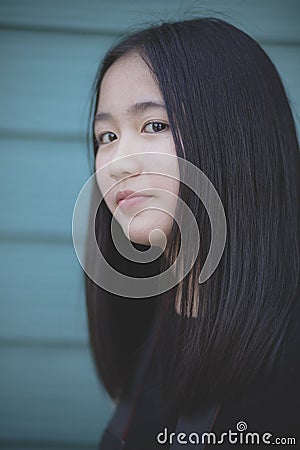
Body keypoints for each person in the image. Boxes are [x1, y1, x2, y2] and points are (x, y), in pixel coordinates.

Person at [84, 17, 300, 449]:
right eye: (106, 136)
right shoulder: (142, 321)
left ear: (239, 137)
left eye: (155, 126)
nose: (117, 162)